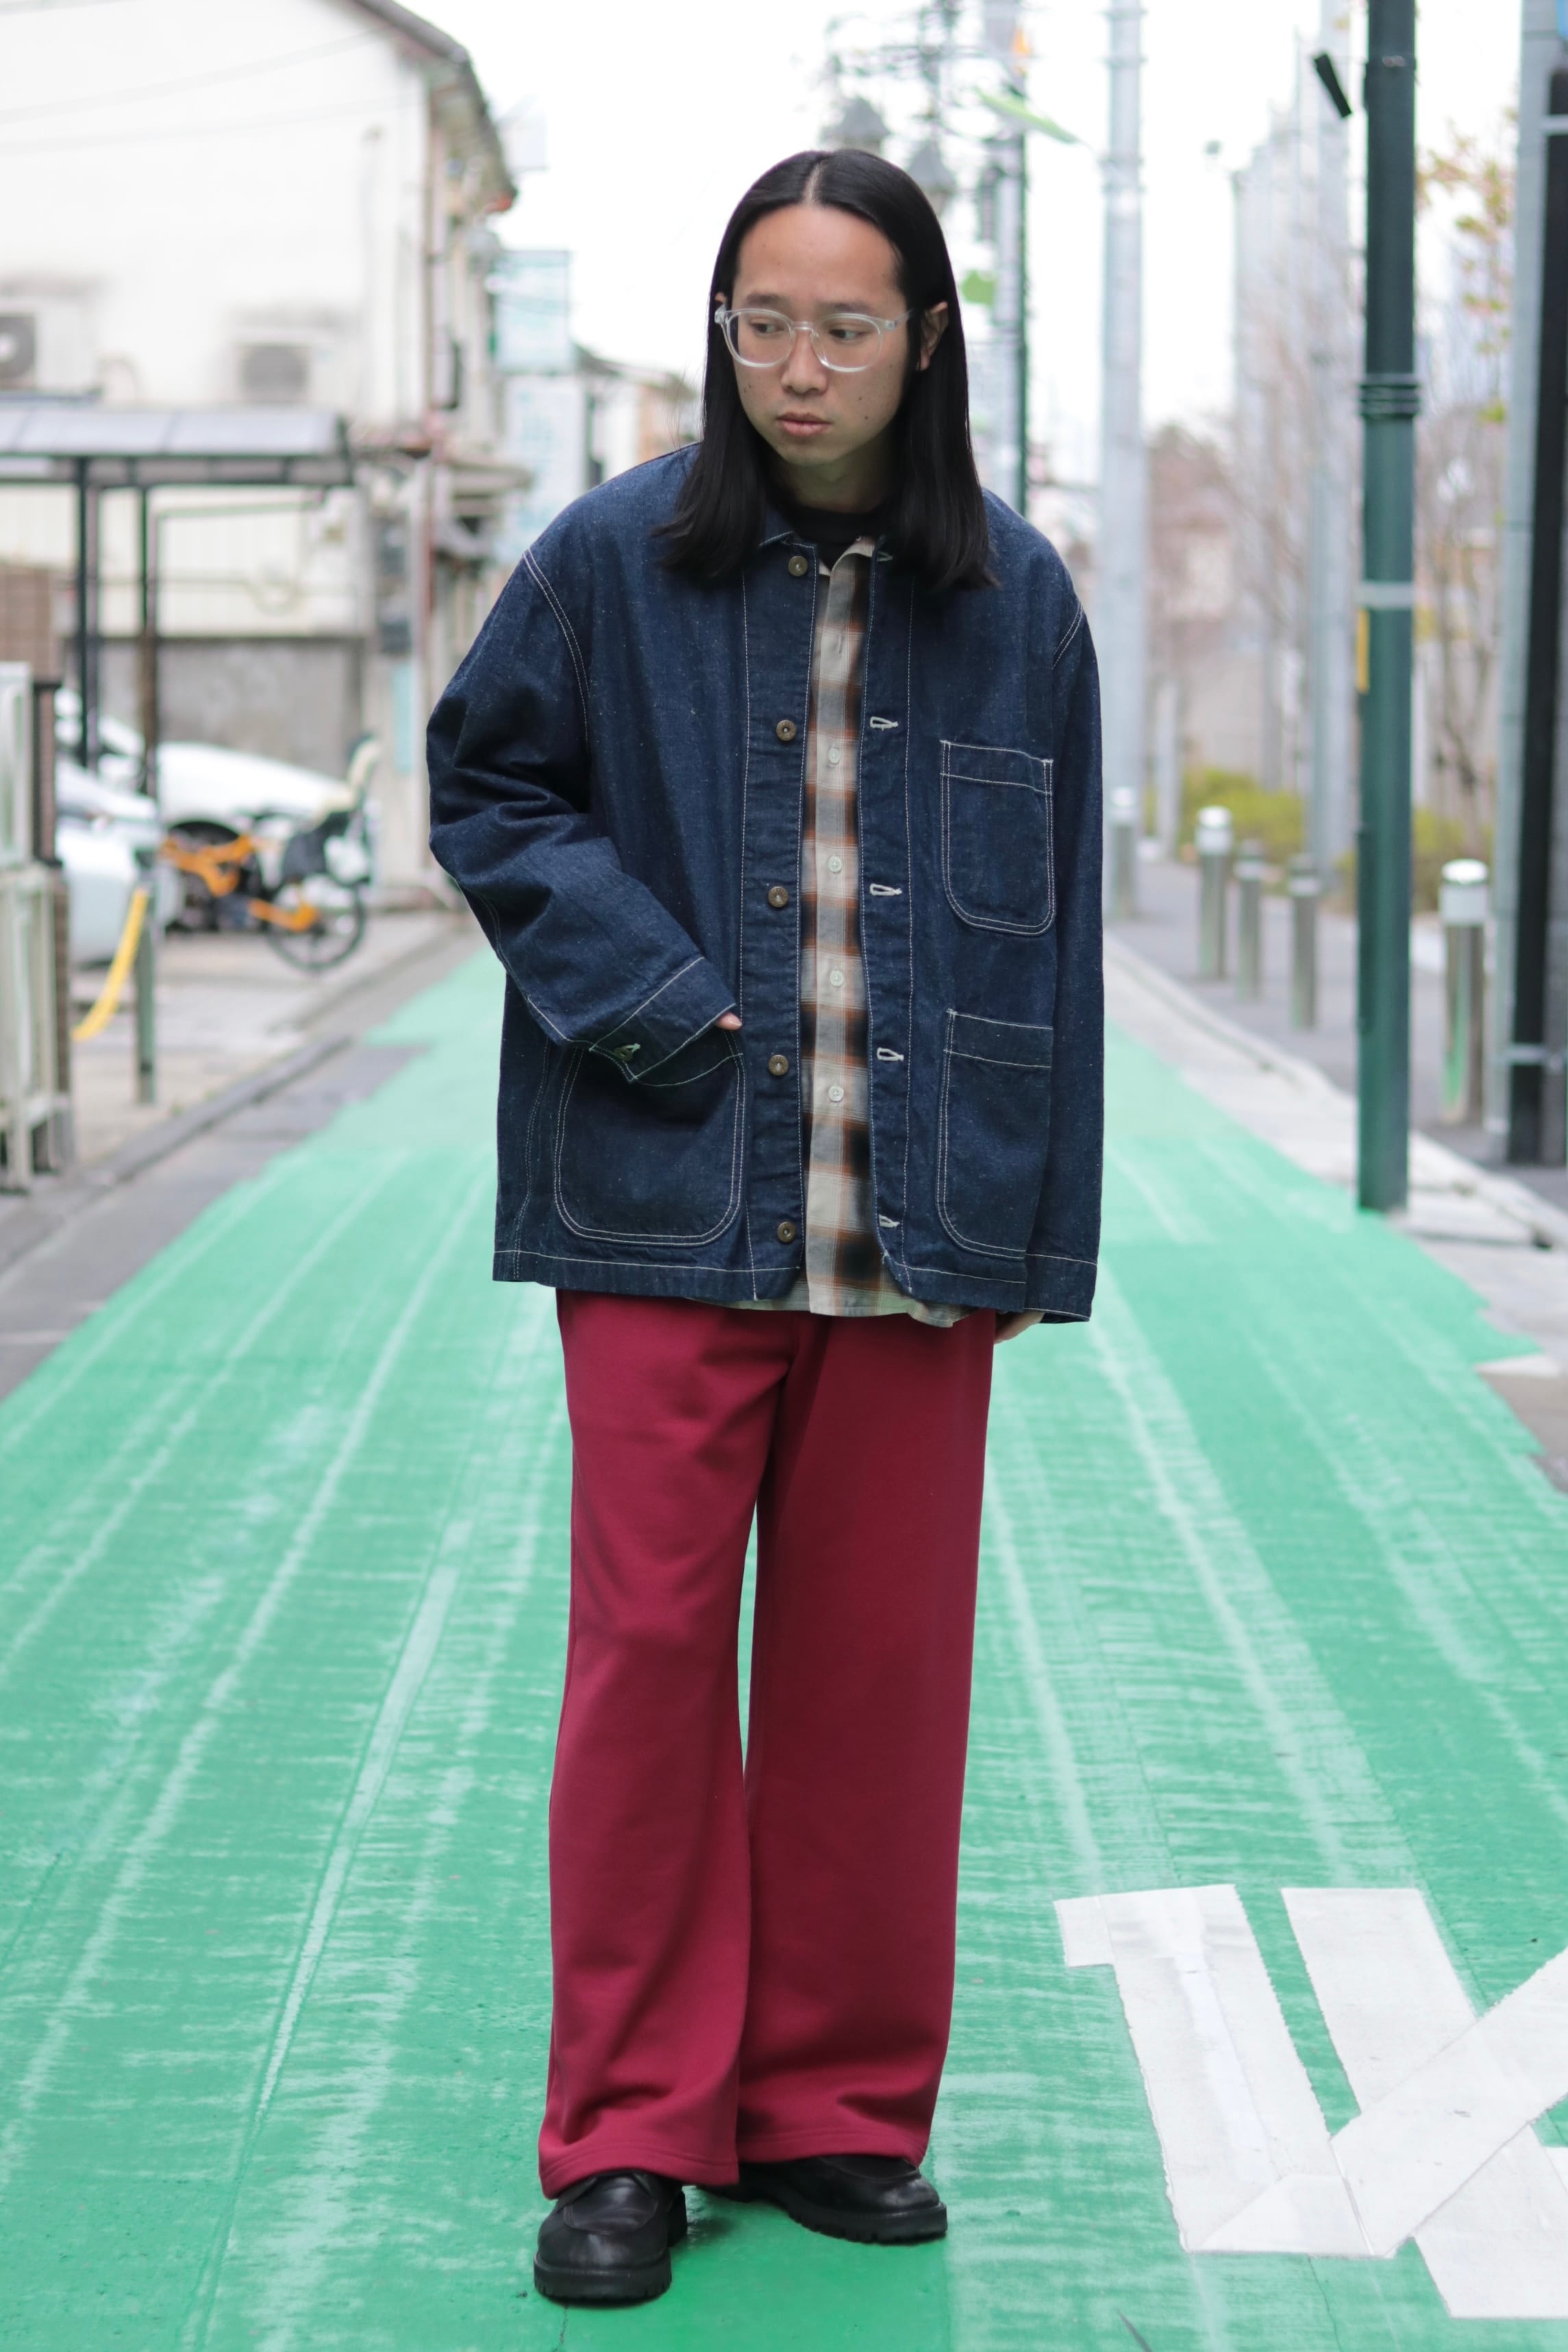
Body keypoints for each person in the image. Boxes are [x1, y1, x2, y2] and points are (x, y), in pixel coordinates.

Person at [427, 146, 1102, 2308]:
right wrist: (650, 992)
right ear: (722, 332)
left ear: (926, 342)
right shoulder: (609, 560)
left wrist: (1039, 1234)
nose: (797, 366)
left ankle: (829, 2106)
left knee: (874, 1682)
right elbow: (485, 784)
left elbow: (1053, 940)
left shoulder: (1017, 599)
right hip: (662, 1196)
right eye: (762, 322)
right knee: (644, 1669)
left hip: (916, 1229)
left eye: (843, 326)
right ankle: (630, 2128)